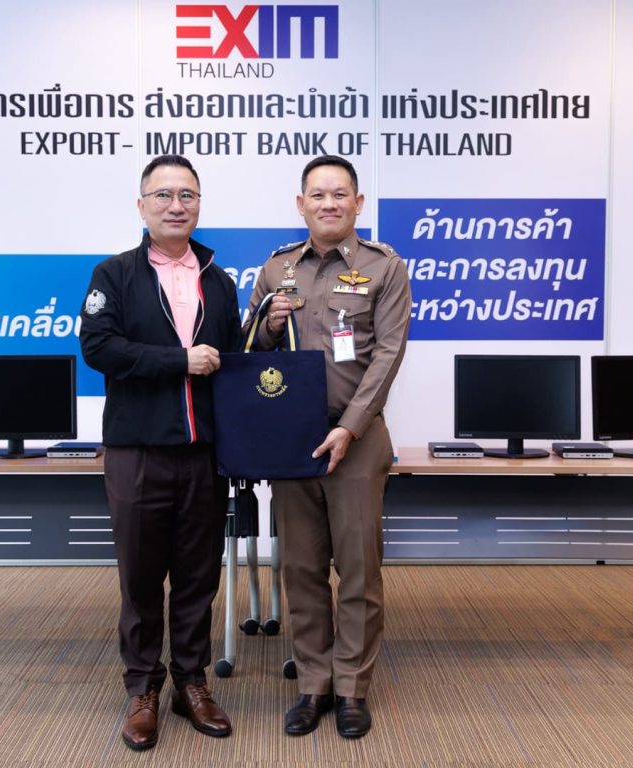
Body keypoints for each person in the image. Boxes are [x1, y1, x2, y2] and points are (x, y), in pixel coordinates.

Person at [244, 155, 411, 739]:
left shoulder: (384, 267)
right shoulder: (277, 268)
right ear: (301, 205)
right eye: (317, 195)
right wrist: (268, 326)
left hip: (356, 438)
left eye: (340, 194)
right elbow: (251, 357)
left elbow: (388, 354)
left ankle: (351, 689)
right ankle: (313, 683)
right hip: (293, 441)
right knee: (301, 568)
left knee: (359, 569)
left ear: (358, 204)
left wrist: (351, 426)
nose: (329, 204)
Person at [79, 155, 243, 751]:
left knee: (199, 577)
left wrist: (271, 331)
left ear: (199, 204)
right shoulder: (114, 274)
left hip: (204, 456)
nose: (177, 206)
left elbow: (234, 362)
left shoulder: (220, 282)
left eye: (188, 195)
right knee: (142, 577)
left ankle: (191, 683)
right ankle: (142, 687)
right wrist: (179, 360)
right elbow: (98, 348)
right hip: (138, 451)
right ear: (142, 205)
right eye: (164, 195)